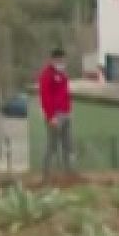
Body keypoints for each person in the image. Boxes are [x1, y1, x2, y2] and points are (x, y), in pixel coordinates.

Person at [37, 47, 74, 179]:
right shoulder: (46, 75)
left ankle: (68, 173)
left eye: (63, 60)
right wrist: (50, 116)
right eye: (60, 60)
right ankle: (46, 174)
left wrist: (69, 110)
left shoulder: (63, 75)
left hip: (65, 113)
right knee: (52, 146)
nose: (62, 62)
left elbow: (65, 94)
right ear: (53, 60)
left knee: (68, 145)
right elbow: (45, 96)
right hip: (55, 115)